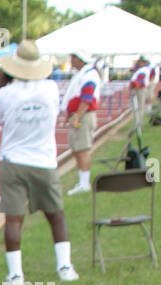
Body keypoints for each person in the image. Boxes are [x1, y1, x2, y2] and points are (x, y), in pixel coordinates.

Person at [0, 40, 79, 285]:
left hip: (13, 161)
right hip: (44, 161)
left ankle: (16, 275)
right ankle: (65, 267)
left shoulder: (6, 93)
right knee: (56, 215)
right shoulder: (50, 89)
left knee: (13, 219)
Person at [63, 49, 102, 194]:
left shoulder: (89, 75)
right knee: (77, 149)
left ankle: (84, 184)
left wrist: (77, 116)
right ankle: (82, 182)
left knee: (82, 149)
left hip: (84, 116)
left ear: (80, 59)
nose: (71, 60)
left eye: (73, 57)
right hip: (79, 114)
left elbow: (86, 98)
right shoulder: (83, 74)